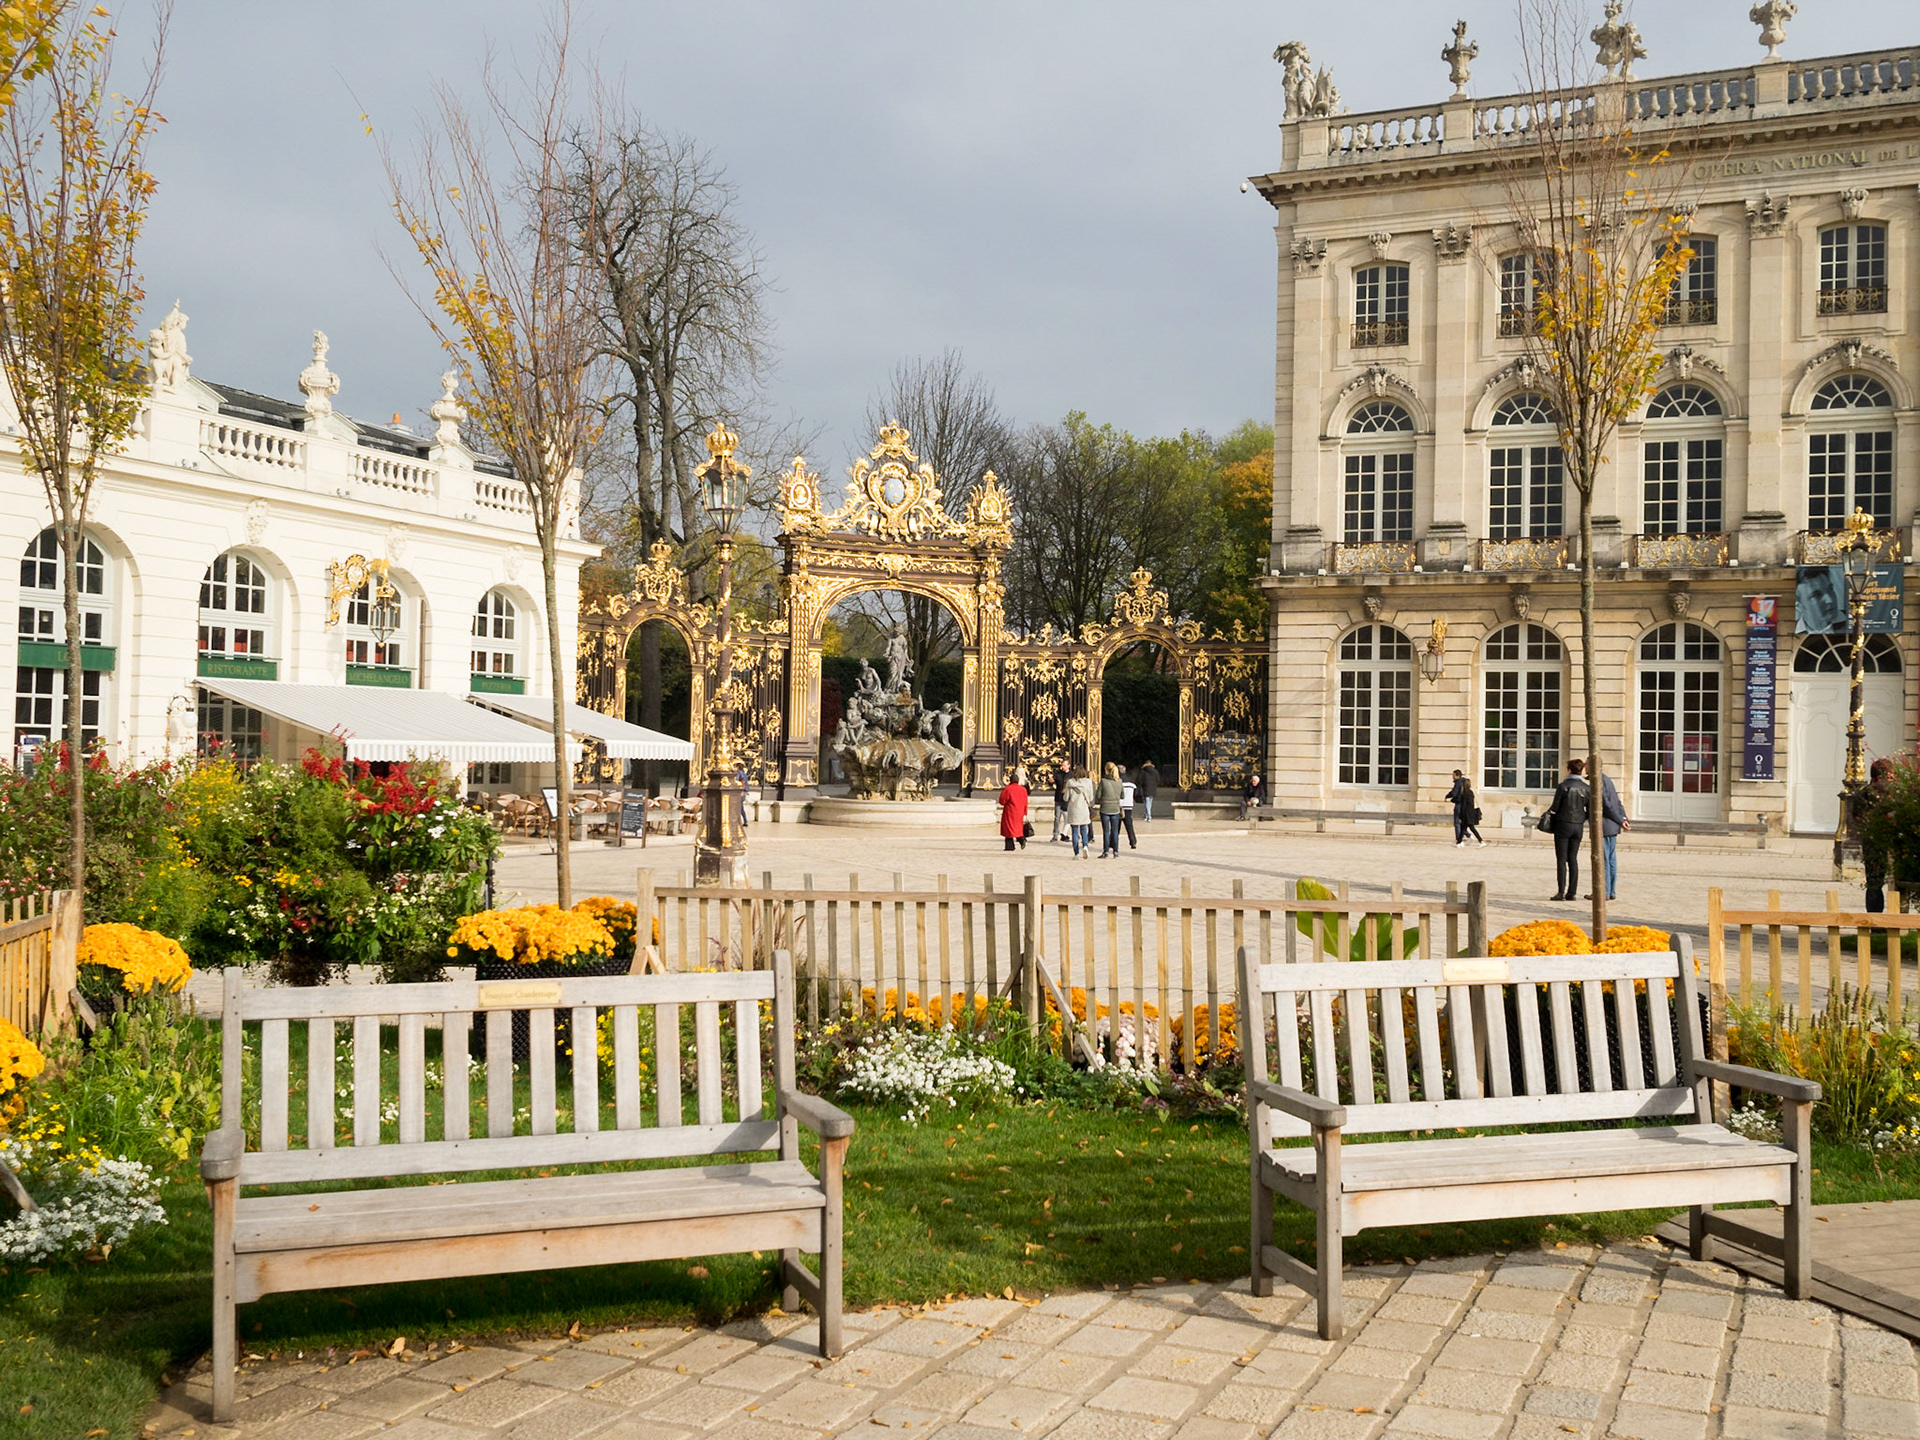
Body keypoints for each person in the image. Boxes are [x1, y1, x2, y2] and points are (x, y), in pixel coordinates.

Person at [1542, 759, 1591, 901]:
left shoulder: (1563, 786)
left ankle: (1561, 891)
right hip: (1578, 826)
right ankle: (1572, 892)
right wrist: (1581, 818)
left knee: (1561, 859)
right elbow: (1589, 810)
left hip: (1563, 824)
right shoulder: (1586, 788)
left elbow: (1555, 807)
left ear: (1569, 770)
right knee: (1573, 859)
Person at [1859, 756, 1896, 912]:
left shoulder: (1865, 792)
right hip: (1895, 840)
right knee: (1899, 883)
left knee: (1874, 882)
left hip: (1872, 842)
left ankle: (1875, 918)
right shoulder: (1896, 791)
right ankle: (1897, 917)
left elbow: (1857, 817)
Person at [1599, 770, 1629, 901]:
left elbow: (1607, 805)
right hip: (1612, 826)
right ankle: (1611, 891)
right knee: (1611, 859)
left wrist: (1621, 820)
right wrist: (1623, 818)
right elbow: (1617, 802)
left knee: (1605, 859)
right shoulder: (1607, 779)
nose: (1585, 767)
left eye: (1587, 764)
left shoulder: (1599, 781)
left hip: (1605, 825)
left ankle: (1605, 891)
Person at [1446, 769, 1486, 847]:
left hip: (1467, 814)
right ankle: (1460, 842)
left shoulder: (1465, 793)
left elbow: (1463, 805)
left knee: (1467, 827)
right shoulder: (1470, 792)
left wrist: (1461, 816)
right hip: (1469, 813)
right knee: (1463, 827)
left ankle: (1480, 841)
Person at [1064, 765, 1095, 858]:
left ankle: (1076, 852)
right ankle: (1085, 845)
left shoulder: (1070, 782)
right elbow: (1090, 797)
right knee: (1084, 830)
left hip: (1073, 808)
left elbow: (1066, 798)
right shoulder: (1088, 782)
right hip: (1083, 808)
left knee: (1074, 831)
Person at [1096, 762, 1126, 858]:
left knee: (1106, 831)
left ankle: (1106, 851)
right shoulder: (1119, 781)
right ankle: (1116, 851)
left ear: (1106, 770)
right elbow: (1123, 795)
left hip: (1105, 808)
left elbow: (1098, 795)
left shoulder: (1103, 781)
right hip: (1115, 808)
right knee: (1115, 831)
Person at [997, 767, 1030, 852]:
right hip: (1020, 812)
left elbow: (1002, 801)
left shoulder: (1008, 789)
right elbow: (1026, 802)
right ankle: (1021, 839)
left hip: (1010, 812)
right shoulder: (1023, 790)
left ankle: (1010, 845)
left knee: (1008, 829)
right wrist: (1025, 813)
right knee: (1017, 828)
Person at [1119, 773, 1139, 850]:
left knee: (1116, 826)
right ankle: (1133, 842)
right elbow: (1135, 794)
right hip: (1128, 805)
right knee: (1129, 825)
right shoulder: (1132, 784)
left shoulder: (1118, 782)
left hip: (1119, 805)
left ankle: (1113, 842)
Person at [1052, 767, 1070, 842]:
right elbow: (1053, 782)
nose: (1063, 767)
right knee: (1057, 817)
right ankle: (1056, 834)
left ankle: (1065, 834)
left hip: (1067, 800)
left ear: (1068, 766)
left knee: (1067, 818)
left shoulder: (1071, 774)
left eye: (1064, 765)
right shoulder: (1058, 773)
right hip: (1058, 798)